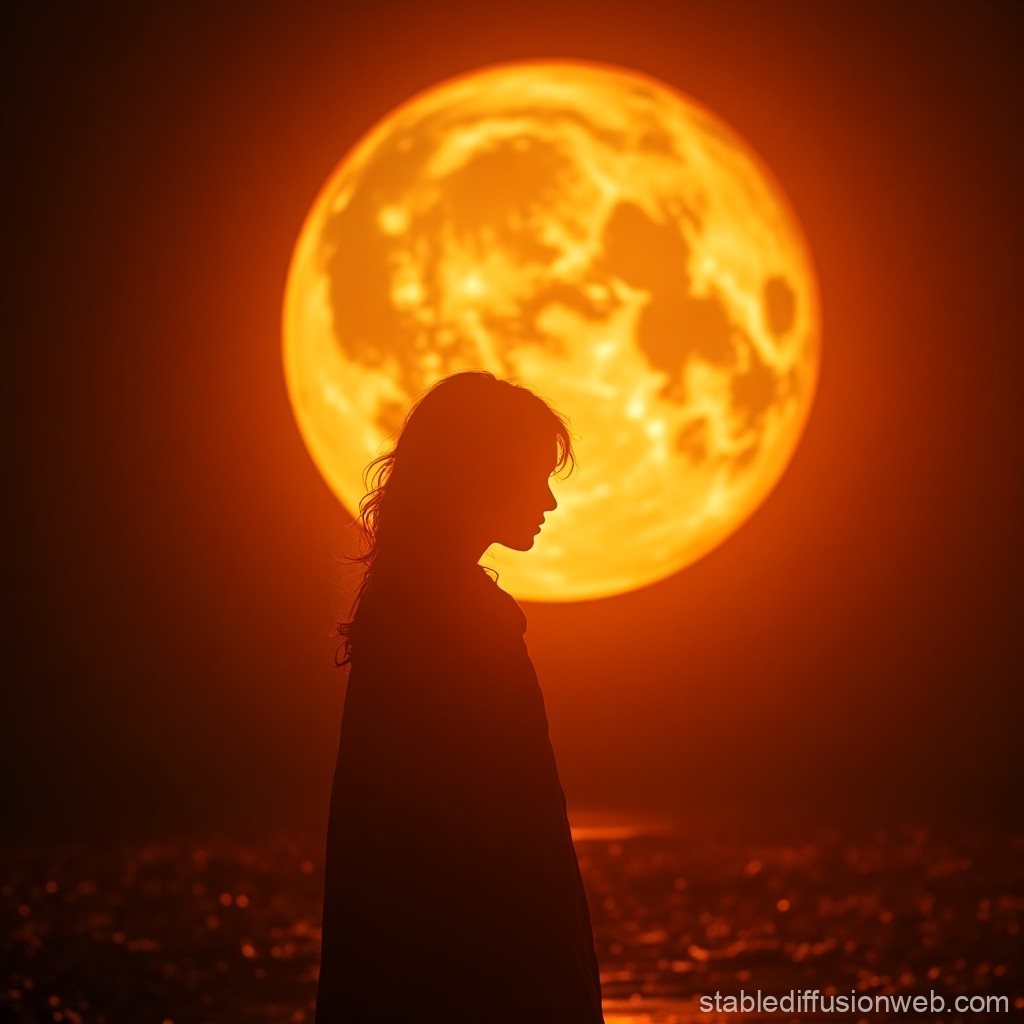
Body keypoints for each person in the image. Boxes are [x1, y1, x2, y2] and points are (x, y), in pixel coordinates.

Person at [314, 370, 605, 1023]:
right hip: (479, 981)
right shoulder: (453, 622)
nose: (549, 503)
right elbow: (507, 833)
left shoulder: (405, 609)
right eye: (533, 476)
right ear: (482, 474)